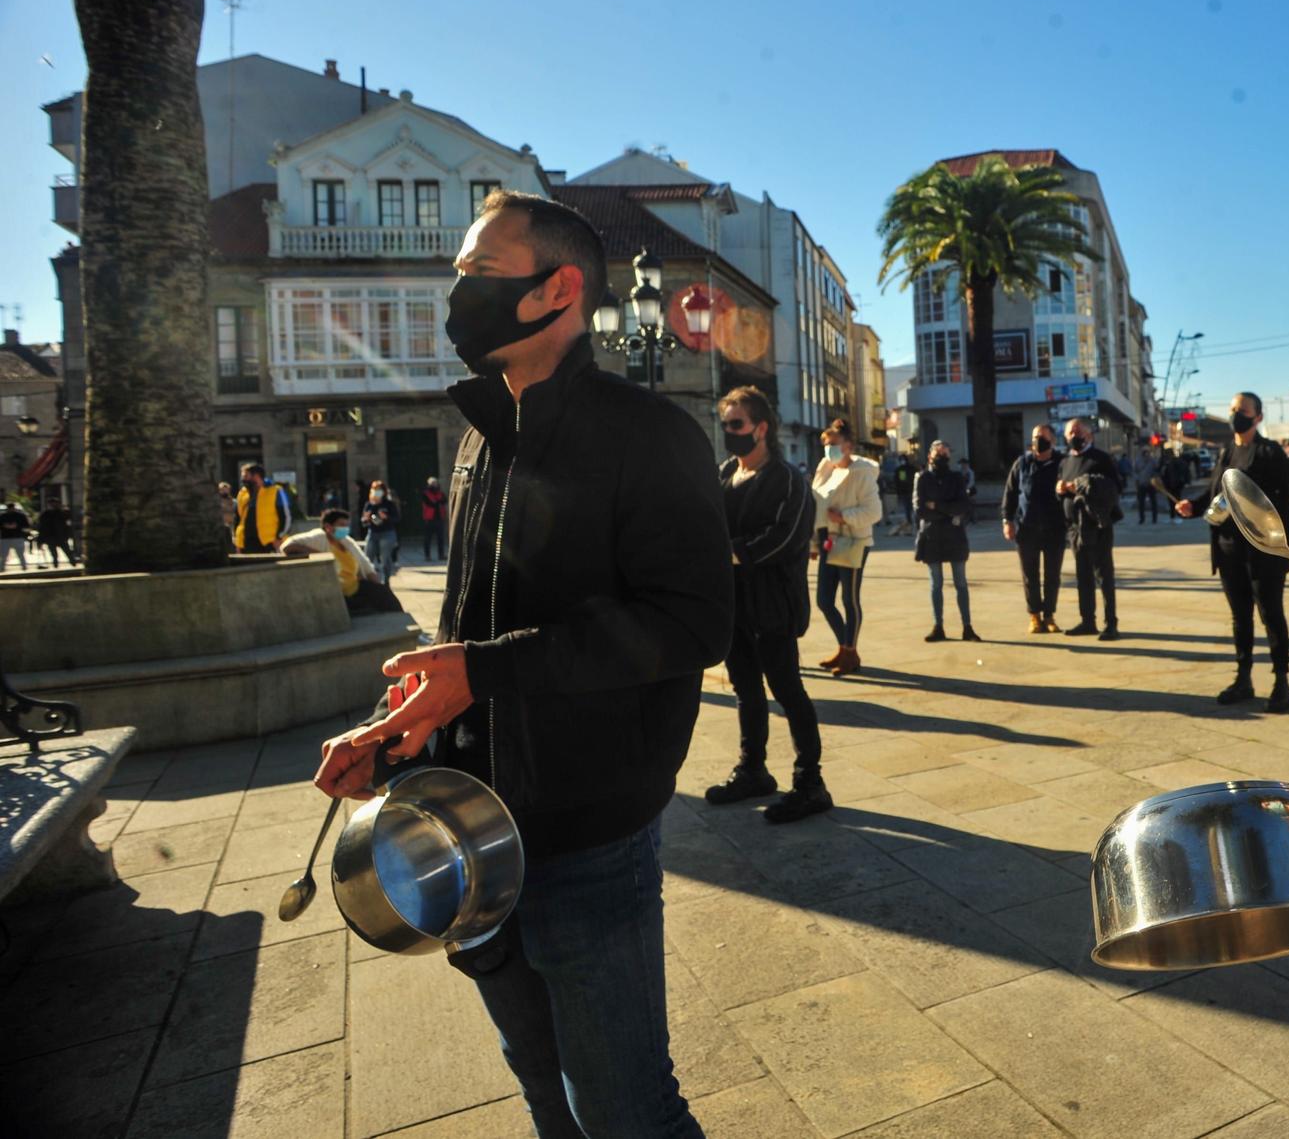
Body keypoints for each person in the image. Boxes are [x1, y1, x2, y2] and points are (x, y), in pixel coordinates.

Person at [313, 188, 729, 1137]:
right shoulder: (478, 440)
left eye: (476, 272)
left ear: (557, 291)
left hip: (590, 834)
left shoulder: (651, 435)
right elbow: (468, 628)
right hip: (472, 830)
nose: (453, 292)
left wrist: (487, 671)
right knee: (541, 1082)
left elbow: (695, 623)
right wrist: (404, 728)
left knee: (626, 1106)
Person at [706, 386, 831, 824]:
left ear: (761, 428)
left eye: (736, 424)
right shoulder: (725, 473)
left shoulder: (788, 479)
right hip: (734, 603)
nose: (729, 433)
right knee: (745, 690)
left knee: (787, 690)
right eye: (725, 425)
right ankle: (753, 769)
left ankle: (810, 782)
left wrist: (728, 551)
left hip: (774, 605)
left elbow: (785, 536)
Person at [1176, 393, 1289, 710]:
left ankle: (1282, 682)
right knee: (1240, 617)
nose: (1235, 415)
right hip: (1229, 550)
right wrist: (1195, 504)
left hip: (1263, 553)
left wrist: (1280, 546)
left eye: (1242, 410)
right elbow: (1218, 492)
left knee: (1271, 615)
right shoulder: (1227, 451)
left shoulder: (1270, 453)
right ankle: (1243, 678)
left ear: (1258, 417)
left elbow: (1283, 502)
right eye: (1231, 409)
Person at [811, 417, 881, 675]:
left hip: (853, 541)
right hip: (829, 540)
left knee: (849, 599)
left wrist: (844, 517)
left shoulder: (862, 472)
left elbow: (874, 511)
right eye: (827, 445)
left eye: (835, 444)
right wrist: (814, 542)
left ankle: (850, 653)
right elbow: (816, 507)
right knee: (824, 600)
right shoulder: (825, 468)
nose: (830, 449)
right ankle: (844, 647)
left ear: (849, 446)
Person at [1056, 416, 1122, 640]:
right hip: (1075, 529)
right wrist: (1061, 489)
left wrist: (1084, 488)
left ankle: (1110, 623)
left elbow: (1115, 489)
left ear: (1089, 435)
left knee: (1104, 575)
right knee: (1083, 576)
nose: (1074, 436)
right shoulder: (1065, 463)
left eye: (1078, 432)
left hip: (1098, 526)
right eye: (1070, 433)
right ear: (1065, 437)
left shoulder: (1101, 459)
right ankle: (1087, 621)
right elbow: (1062, 493)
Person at [1002, 423, 1067, 633]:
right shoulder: (1022, 463)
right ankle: (1034, 616)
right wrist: (1007, 520)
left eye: (1043, 437)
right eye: (1035, 437)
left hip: (1054, 528)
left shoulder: (1062, 463)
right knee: (1030, 575)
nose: (1038, 440)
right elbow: (1010, 493)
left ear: (1053, 440)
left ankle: (1049, 615)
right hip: (1026, 528)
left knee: (1052, 575)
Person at [282, 507, 404, 615]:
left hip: (356, 588)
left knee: (384, 594)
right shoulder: (319, 537)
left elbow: (366, 566)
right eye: (341, 525)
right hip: (337, 594)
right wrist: (321, 556)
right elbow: (287, 546)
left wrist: (378, 586)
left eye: (347, 525)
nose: (345, 529)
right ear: (328, 527)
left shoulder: (347, 542)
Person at [916, 439, 979, 642]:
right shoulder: (923, 478)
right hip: (932, 535)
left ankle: (967, 626)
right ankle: (938, 626)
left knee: (961, 582)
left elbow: (963, 506)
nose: (941, 457)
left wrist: (938, 506)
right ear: (929, 456)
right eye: (938, 453)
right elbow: (921, 509)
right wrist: (948, 511)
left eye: (945, 453)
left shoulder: (956, 478)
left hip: (955, 537)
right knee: (936, 584)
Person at [234, 464, 290, 553]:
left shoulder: (276, 491)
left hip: (269, 543)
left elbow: (286, 517)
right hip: (246, 543)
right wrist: (238, 542)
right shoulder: (242, 493)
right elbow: (238, 519)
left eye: (246, 476)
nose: (243, 480)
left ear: (256, 476)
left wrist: (279, 537)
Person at [357, 479, 399, 583]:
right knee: (368, 557)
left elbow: (397, 519)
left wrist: (386, 517)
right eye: (375, 490)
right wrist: (365, 519)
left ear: (384, 491)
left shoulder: (389, 504)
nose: (377, 492)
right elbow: (363, 522)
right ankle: (368, 580)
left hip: (387, 533)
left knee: (384, 558)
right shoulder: (369, 504)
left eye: (379, 490)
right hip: (373, 533)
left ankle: (386, 580)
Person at [36, 501, 74, 568]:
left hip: (59, 536)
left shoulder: (60, 513)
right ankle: (57, 564)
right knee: (56, 553)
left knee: (66, 552)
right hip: (53, 537)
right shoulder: (46, 514)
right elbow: (42, 527)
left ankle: (71, 562)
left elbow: (41, 527)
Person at [1131, 444, 1161, 524]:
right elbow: (1134, 472)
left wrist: (1155, 477)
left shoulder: (1153, 460)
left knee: (1153, 502)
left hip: (1151, 484)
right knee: (1141, 503)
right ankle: (1142, 519)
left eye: (1147, 451)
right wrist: (1137, 479)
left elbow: (1157, 470)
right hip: (1142, 484)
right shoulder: (1138, 461)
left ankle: (1154, 519)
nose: (1146, 453)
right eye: (1145, 452)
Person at [419, 476, 447, 561]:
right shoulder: (425, 493)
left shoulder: (440, 493)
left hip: (439, 518)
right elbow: (430, 503)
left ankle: (441, 555)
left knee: (441, 538)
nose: (434, 485)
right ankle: (427, 556)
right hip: (429, 519)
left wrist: (437, 502)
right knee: (427, 539)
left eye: (435, 483)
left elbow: (444, 501)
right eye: (432, 483)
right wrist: (438, 502)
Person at [891, 445, 917, 536]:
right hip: (911, 491)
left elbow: (901, 481)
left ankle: (908, 526)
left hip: (904, 492)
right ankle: (910, 525)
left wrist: (898, 491)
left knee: (906, 510)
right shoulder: (912, 468)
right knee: (911, 509)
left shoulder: (901, 470)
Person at [0, 500, 29, 572]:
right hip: (5, 537)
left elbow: (26, 525)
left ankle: (24, 566)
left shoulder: (20, 516)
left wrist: (17, 526)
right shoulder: (3, 516)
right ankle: (2, 567)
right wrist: (5, 526)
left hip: (17, 536)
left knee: (20, 554)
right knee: (4, 555)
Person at [218, 480, 238, 553]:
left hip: (232, 526)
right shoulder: (216, 502)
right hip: (222, 525)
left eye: (226, 489)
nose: (224, 491)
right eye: (222, 489)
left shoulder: (234, 502)